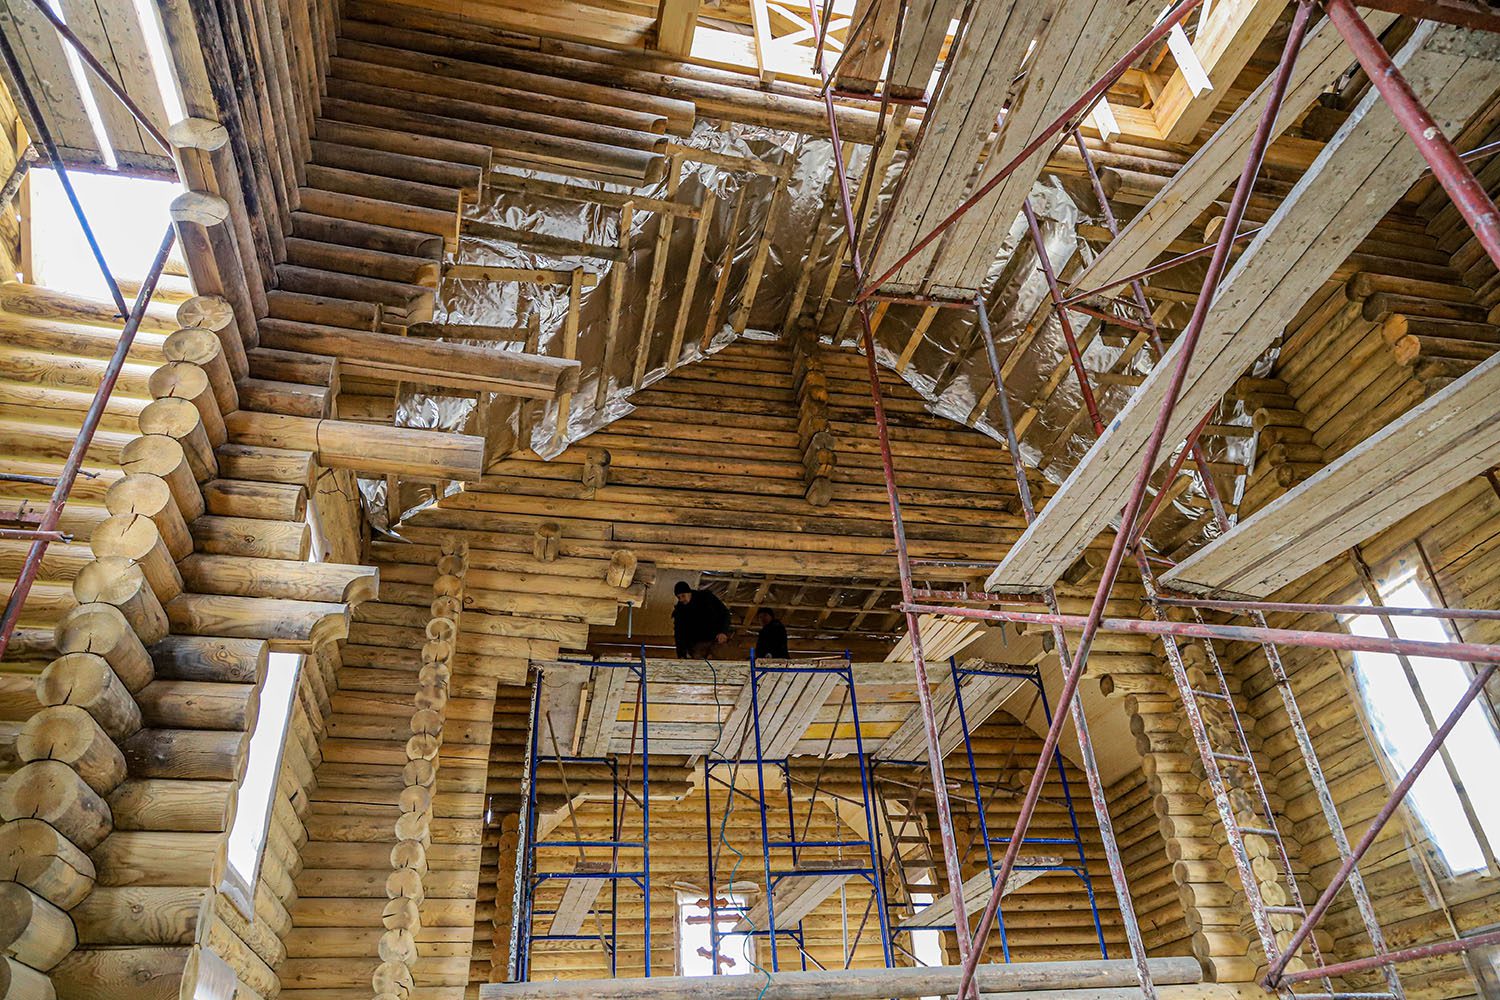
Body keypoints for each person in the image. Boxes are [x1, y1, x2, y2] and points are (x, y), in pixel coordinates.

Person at [672, 580, 731, 658]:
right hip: (697, 646)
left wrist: (723, 631)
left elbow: (724, 613)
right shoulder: (680, 611)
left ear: (689, 592)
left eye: (683, 596)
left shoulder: (706, 597)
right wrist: (681, 654)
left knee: (723, 658)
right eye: (679, 597)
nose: (681, 599)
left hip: (716, 639)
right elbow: (679, 634)